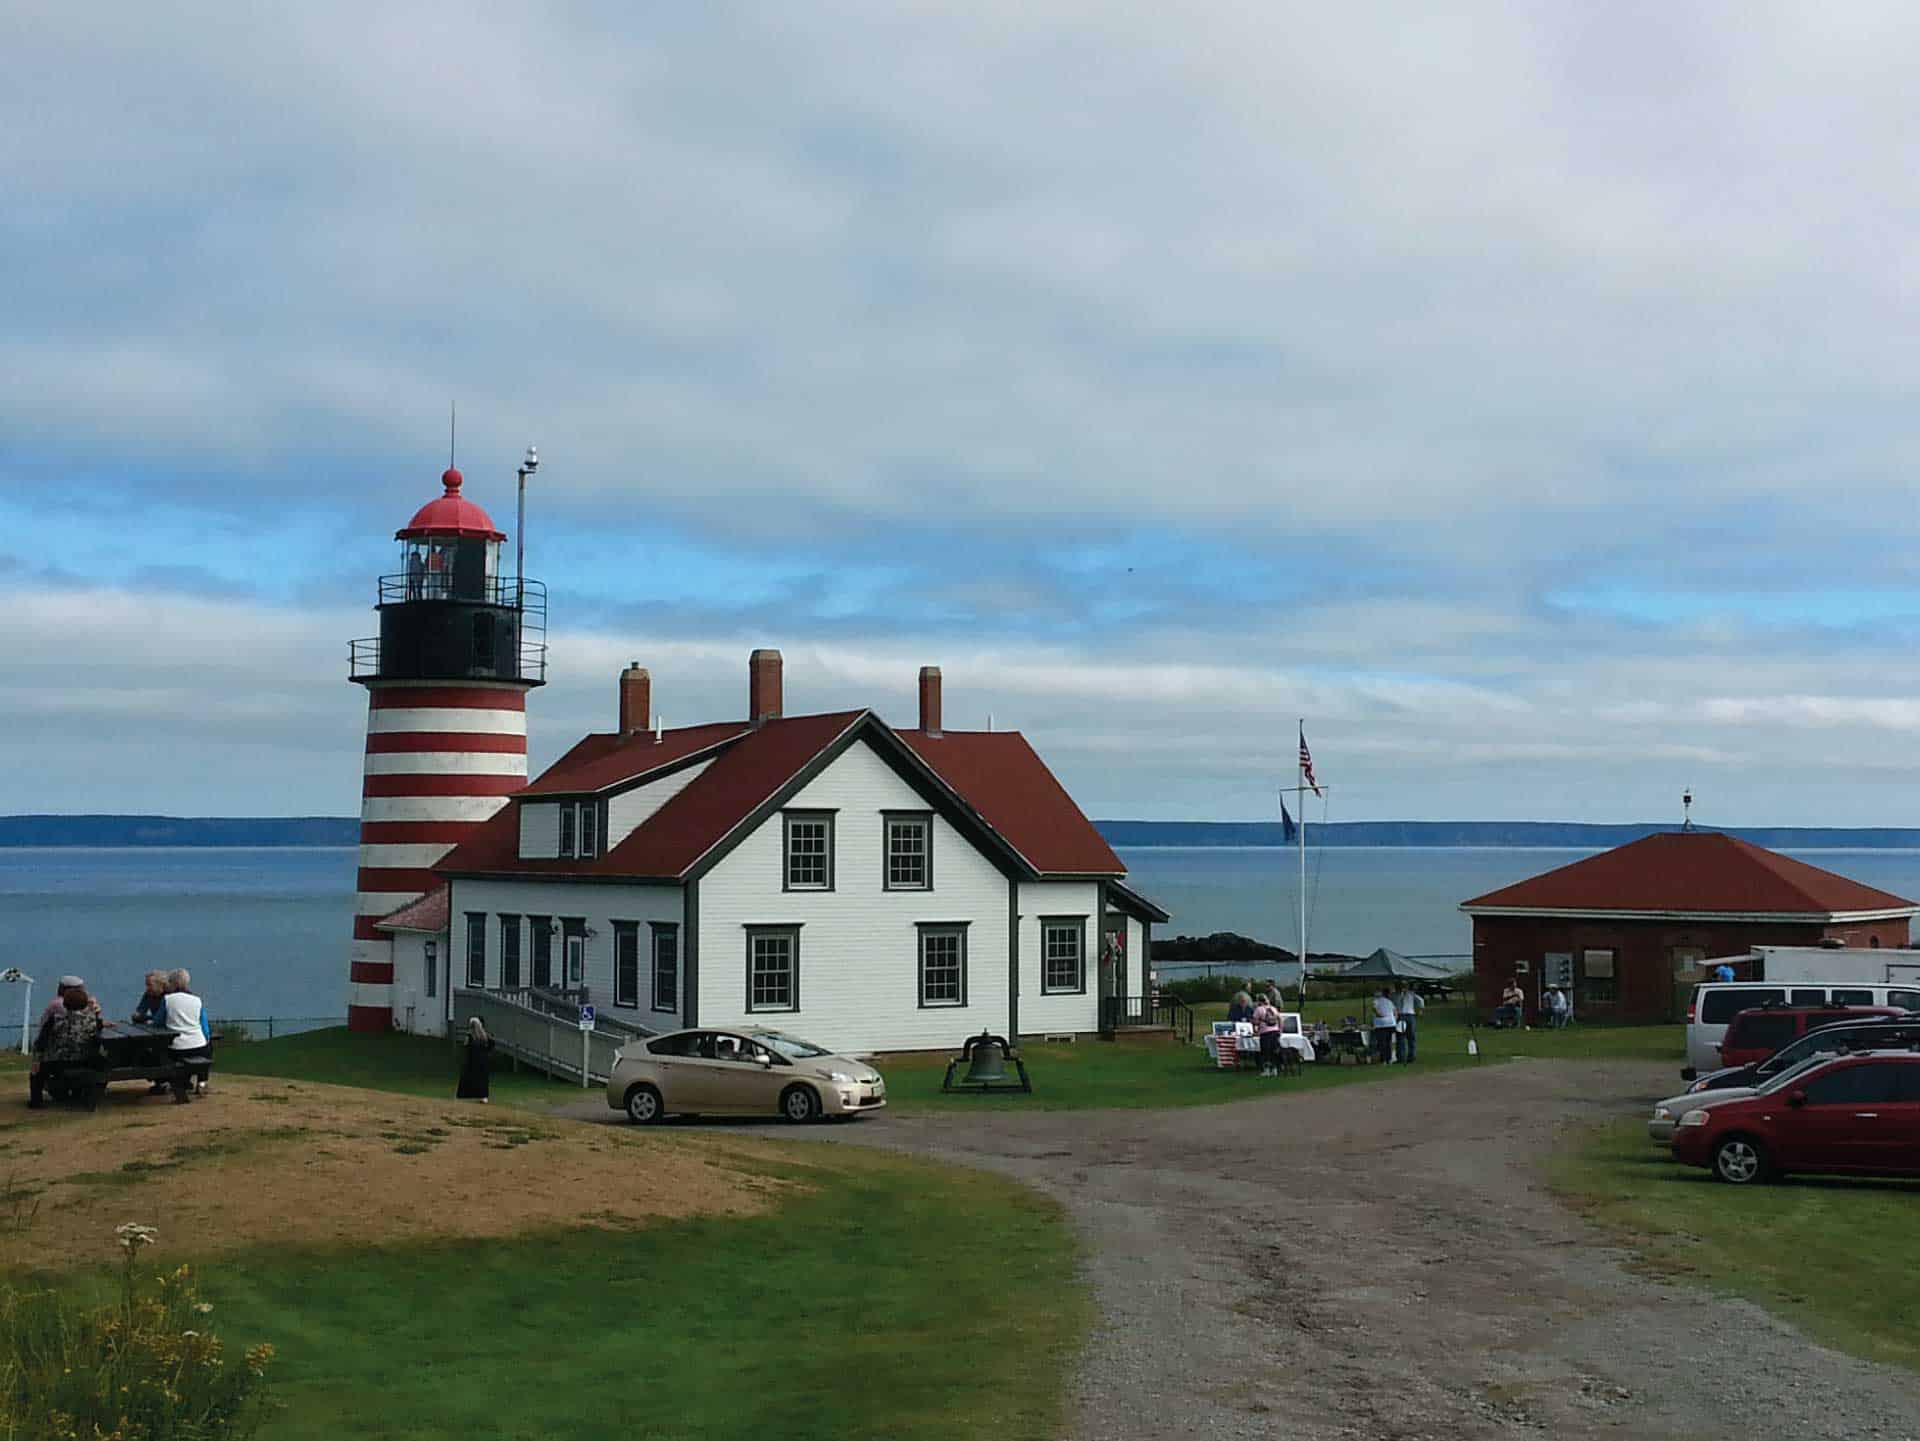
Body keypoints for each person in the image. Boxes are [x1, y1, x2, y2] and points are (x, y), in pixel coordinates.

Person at [29, 986, 104, 1108]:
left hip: (55, 1062)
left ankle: (36, 1101)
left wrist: (37, 1059)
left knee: (36, 1073)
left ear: (64, 1003)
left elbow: (41, 1041)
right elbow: (98, 1034)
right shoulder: (92, 1020)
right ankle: (90, 1097)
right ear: (85, 1003)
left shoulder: (55, 1020)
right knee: (103, 1065)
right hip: (84, 1060)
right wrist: (96, 1013)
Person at [162, 969, 212, 1101]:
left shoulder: (167, 1000)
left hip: (176, 1048)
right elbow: (204, 1025)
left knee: (163, 1054)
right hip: (199, 1045)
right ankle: (202, 1082)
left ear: (174, 984)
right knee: (207, 1051)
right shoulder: (197, 1000)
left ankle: (172, 1082)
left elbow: (158, 1021)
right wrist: (206, 1039)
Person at [458, 1016, 494, 1102]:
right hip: (483, 1060)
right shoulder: (484, 1035)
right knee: (482, 1079)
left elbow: (467, 1046)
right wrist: (487, 1052)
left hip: (473, 1060)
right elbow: (491, 1044)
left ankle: (464, 1095)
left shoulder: (470, 1035)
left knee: (467, 1077)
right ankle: (483, 1097)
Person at [1251, 992, 1283, 1077]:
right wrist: (1280, 1030)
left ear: (1259, 1001)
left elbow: (1254, 1021)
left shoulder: (1259, 1009)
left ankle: (1267, 1070)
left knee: (1266, 1052)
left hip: (1265, 1033)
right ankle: (1275, 1069)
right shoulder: (1273, 1008)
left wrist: (1255, 1030)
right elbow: (1280, 1019)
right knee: (1274, 1051)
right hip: (1275, 1032)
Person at [1393, 984, 1425, 1062]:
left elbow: (1420, 1000)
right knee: (1407, 1037)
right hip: (1408, 1016)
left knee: (1404, 1037)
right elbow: (1421, 1000)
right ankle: (1406, 1057)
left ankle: (1405, 1057)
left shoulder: (1403, 994)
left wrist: (1420, 1009)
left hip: (1403, 1016)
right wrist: (1420, 1009)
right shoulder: (1410, 994)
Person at [1370, 988, 1398, 1064]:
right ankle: (1389, 1059)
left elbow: (1374, 1008)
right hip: (1391, 1023)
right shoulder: (1390, 1001)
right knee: (1388, 1042)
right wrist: (1394, 1019)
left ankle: (1384, 1059)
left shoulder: (1376, 1001)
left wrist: (1379, 1015)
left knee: (1382, 1042)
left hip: (1381, 1024)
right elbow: (1395, 1012)